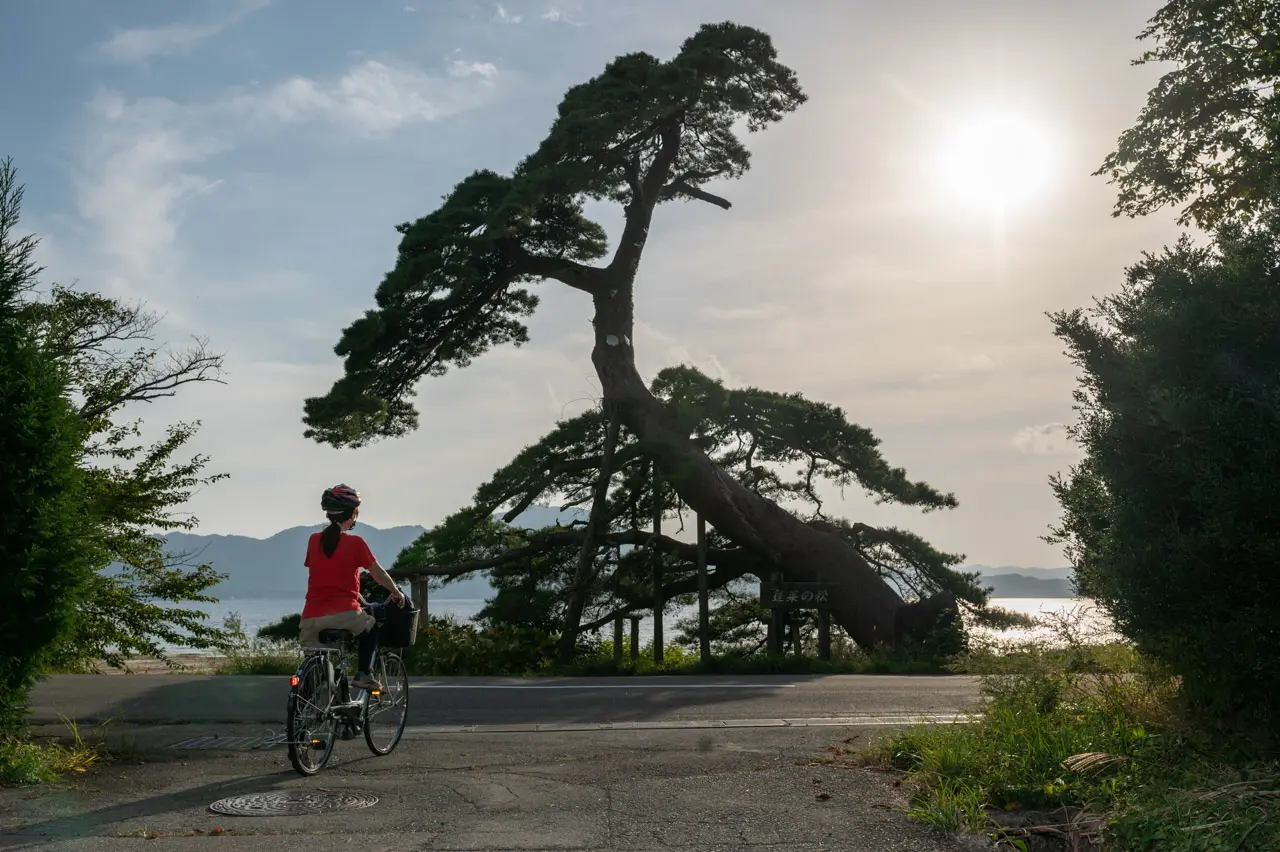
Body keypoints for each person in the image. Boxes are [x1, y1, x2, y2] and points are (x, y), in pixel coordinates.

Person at [298, 484, 404, 690]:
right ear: (352, 514)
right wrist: (395, 592)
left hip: (310, 618)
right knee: (372, 625)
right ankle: (363, 674)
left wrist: (358, 598)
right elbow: (378, 573)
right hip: (345, 614)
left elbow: (328, 579)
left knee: (316, 667)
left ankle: (308, 708)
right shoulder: (355, 543)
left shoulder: (314, 540)